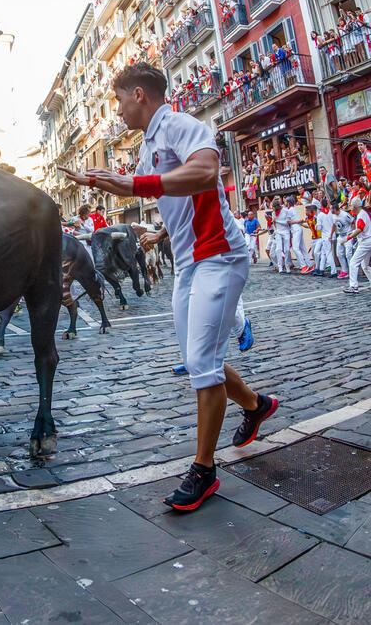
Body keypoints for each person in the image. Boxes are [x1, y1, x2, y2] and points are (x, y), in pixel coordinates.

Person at [59, 63, 275, 511]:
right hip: (188, 259)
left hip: (219, 254)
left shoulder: (179, 125)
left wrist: (137, 183)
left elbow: (206, 172)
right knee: (200, 362)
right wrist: (96, 182)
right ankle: (255, 406)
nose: (116, 111)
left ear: (139, 95)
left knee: (201, 360)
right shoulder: (148, 144)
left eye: (118, 101)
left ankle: (203, 469)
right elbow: (139, 189)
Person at [343, 196, 371, 293]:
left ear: (355, 206)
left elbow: (360, 229)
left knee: (353, 262)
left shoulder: (361, 215)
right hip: (367, 240)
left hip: (365, 242)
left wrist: (347, 238)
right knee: (364, 265)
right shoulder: (363, 214)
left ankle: (353, 286)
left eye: (351, 206)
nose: (351, 208)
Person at [286, 195, 313, 273]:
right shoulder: (293, 209)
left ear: (288, 203)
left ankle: (303, 266)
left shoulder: (289, 210)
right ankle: (310, 265)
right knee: (303, 248)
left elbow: (288, 222)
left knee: (295, 248)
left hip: (295, 229)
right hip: (298, 228)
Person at [314, 199, 336, 276]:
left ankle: (334, 271)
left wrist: (316, 225)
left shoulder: (320, 215)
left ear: (321, 204)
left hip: (325, 236)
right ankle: (322, 269)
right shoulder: (331, 213)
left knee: (328, 253)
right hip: (332, 235)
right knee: (324, 252)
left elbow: (319, 228)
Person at [335, 201, 354, 280]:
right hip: (340, 235)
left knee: (348, 255)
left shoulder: (345, 215)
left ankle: (352, 271)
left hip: (348, 235)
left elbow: (353, 221)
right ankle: (344, 271)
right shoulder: (334, 216)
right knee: (339, 254)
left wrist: (353, 232)